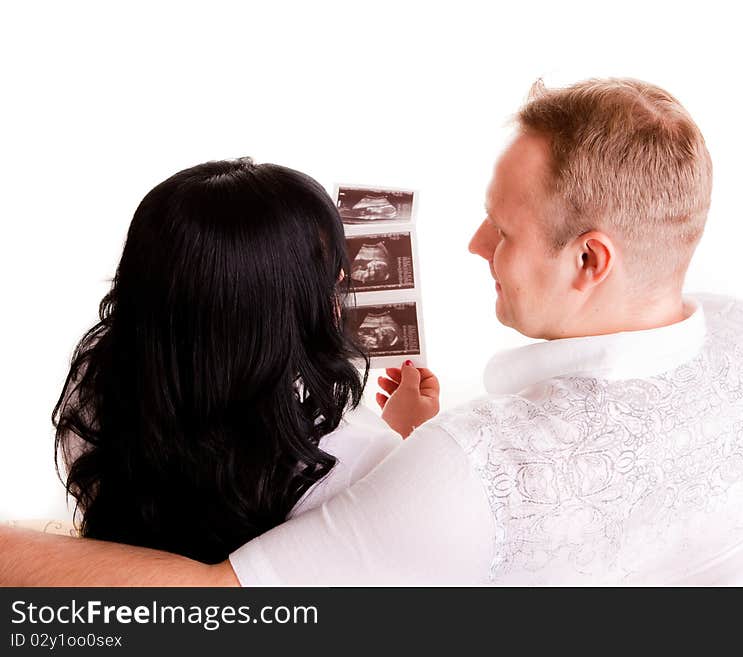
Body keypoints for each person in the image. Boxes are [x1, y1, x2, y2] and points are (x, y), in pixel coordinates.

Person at [0, 78, 743, 586]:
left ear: (590, 258)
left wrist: (431, 457)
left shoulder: (456, 476)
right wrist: (420, 449)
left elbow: (212, 603)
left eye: (502, 228)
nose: (474, 245)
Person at [20, 157, 439, 565]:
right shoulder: (360, 453)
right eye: (324, 275)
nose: (342, 282)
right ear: (267, 315)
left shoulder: (99, 386)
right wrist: (400, 441)